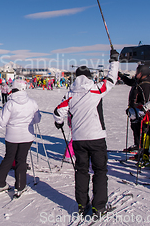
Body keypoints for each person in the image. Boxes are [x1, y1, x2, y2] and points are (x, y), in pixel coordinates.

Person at [53, 49, 119, 217]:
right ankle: (99, 206)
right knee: (100, 171)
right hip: (96, 137)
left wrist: (59, 122)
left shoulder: (70, 93)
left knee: (81, 171)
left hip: (79, 140)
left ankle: (82, 205)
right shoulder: (96, 89)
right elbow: (111, 79)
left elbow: (58, 111)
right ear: (89, 76)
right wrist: (114, 61)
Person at [0, 79, 41, 197]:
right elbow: (37, 119)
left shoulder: (10, 103)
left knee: (8, 158)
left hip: (12, 136)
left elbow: (1, 122)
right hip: (27, 136)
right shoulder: (32, 102)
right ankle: (20, 186)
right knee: (21, 160)